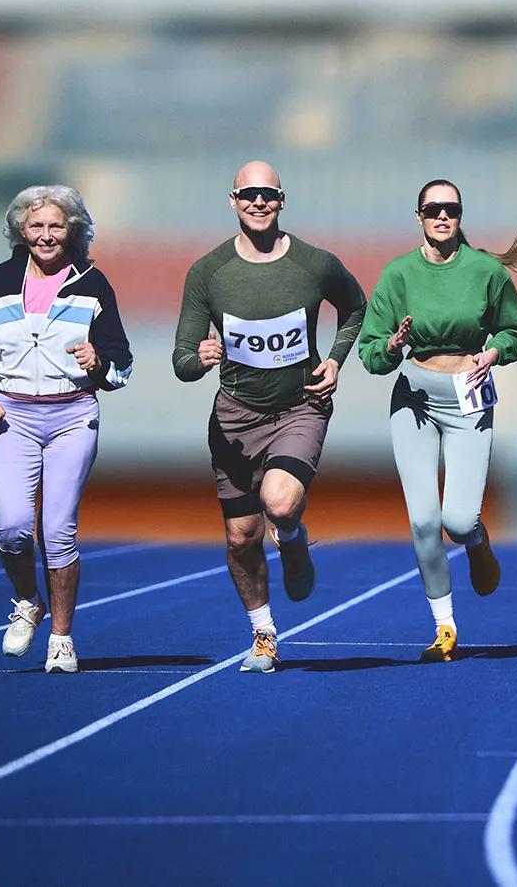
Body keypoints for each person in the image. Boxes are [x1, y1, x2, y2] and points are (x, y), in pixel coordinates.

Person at [173, 161, 367, 674]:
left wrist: (335, 359)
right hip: (235, 419)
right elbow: (182, 362)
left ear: (282, 200)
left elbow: (355, 307)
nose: (258, 203)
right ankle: (263, 635)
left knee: (279, 504)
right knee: (241, 536)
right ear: (233, 200)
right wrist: (202, 359)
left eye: (267, 195)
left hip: (300, 406)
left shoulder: (315, 264)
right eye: (248, 194)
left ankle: (295, 537)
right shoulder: (207, 273)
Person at [358, 180, 517, 663]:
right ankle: (444, 627)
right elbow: (370, 354)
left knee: (458, 520)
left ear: (461, 214)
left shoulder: (486, 270)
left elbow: (514, 332)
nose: (442, 216)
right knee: (423, 520)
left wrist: (494, 352)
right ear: (418, 216)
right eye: (433, 209)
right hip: (415, 396)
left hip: (468, 394)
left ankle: (478, 542)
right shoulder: (397, 274)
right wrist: (393, 347)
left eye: (451, 209)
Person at [0, 185, 133, 675]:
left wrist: (99, 363)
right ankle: (28, 601)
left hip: (73, 415)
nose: (46, 235)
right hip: (12, 418)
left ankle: (61, 638)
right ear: (20, 230)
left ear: (73, 229)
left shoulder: (94, 285)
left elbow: (121, 364)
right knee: (11, 529)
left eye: (56, 226)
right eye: (36, 226)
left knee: (57, 530)